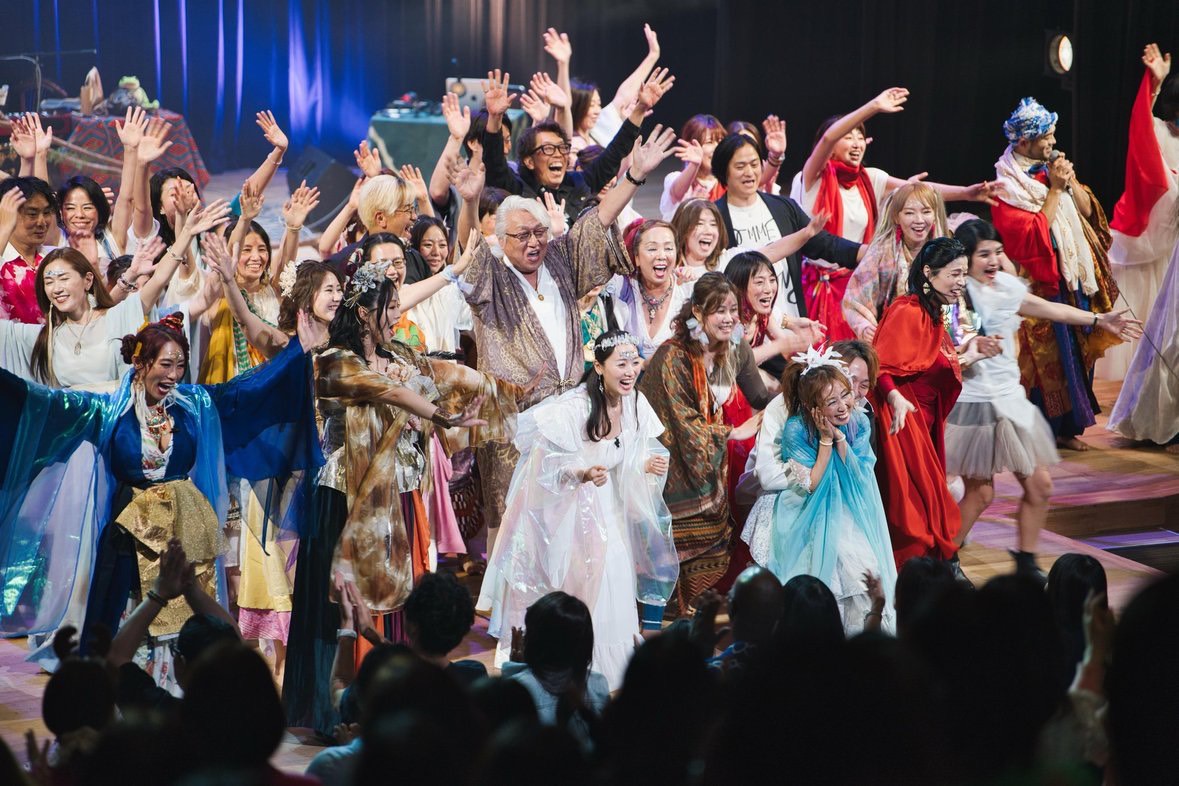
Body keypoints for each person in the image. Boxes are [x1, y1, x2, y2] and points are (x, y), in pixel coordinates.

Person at [0, 309, 322, 693]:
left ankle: (188, 701)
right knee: (134, 619)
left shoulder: (194, 404)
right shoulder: (108, 411)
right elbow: (44, 405)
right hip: (130, 537)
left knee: (190, 622)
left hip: (183, 531)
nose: (173, 375)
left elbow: (247, 392)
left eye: (180, 366)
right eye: (165, 365)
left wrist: (297, 352)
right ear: (140, 363)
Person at [283, 269, 515, 736]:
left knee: (392, 597)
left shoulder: (398, 354)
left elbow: (443, 373)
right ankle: (332, 710)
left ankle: (387, 702)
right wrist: (443, 415)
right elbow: (392, 391)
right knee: (341, 598)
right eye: (389, 308)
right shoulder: (334, 362)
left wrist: (504, 390)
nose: (397, 316)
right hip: (345, 496)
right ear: (364, 314)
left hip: (393, 495)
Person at [450, 119, 676, 553]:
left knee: (575, 521)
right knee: (512, 524)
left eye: (539, 232)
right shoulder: (492, 275)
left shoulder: (560, 261)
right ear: (501, 240)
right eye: (522, 235)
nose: (534, 242)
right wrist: (471, 201)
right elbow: (468, 252)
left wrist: (633, 176)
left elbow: (596, 222)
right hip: (514, 422)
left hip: (570, 414)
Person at [479, 330, 678, 689]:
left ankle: (614, 666)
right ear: (599, 367)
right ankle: (571, 664)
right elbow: (547, 467)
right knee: (582, 581)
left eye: (634, 363)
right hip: (572, 510)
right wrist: (581, 473)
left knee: (617, 573)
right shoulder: (574, 408)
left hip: (609, 506)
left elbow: (627, 454)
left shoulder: (634, 402)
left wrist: (644, 464)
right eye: (621, 364)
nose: (630, 371)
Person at [947, 220, 1141, 580]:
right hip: (978, 405)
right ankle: (942, 562)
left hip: (1011, 401)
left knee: (1040, 486)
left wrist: (1098, 319)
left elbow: (1051, 310)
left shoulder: (1005, 286)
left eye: (997, 252)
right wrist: (974, 345)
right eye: (983, 254)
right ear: (965, 259)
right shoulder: (955, 295)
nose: (993, 260)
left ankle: (1026, 564)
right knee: (981, 494)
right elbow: (956, 340)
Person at [794, 88, 996, 340]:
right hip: (819, 288)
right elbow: (826, 139)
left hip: (859, 282)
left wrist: (966, 193)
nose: (856, 143)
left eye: (860, 136)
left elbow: (920, 192)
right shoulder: (812, 178)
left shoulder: (870, 178)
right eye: (848, 136)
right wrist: (874, 106)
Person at [990, 96, 1121, 451]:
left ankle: (1068, 430)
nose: (1052, 142)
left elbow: (1089, 212)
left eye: (1052, 134)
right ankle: (1044, 431)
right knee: (1047, 364)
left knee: (1079, 354)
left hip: (1074, 278)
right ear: (1023, 142)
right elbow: (1032, 236)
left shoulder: (1052, 170)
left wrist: (1069, 183)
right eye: (1045, 137)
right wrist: (1056, 190)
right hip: (1040, 285)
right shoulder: (1007, 186)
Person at [638, 273, 771, 610]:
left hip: (711, 468)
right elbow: (681, 422)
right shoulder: (673, 357)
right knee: (669, 568)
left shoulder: (734, 346)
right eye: (719, 311)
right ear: (697, 312)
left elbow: (759, 395)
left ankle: (695, 616)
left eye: (733, 310)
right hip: (671, 470)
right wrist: (731, 432)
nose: (729, 318)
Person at [756, 349, 896, 633]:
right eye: (832, 402)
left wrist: (840, 437)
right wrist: (824, 439)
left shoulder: (858, 421)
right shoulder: (797, 429)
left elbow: (860, 475)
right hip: (812, 505)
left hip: (852, 500)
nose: (843, 406)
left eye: (845, 395)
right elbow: (812, 483)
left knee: (861, 567)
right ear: (814, 408)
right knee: (834, 568)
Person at [869, 237, 972, 574]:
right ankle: (921, 580)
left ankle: (937, 576)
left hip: (924, 424)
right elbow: (881, 366)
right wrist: (895, 397)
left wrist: (972, 353)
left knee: (930, 506)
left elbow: (930, 361)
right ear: (929, 272)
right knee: (915, 513)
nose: (961, 282)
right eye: (954, 274)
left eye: (964, 274)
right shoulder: (907, 310)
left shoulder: (935, 312)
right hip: (903, 423)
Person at [479, 67, 673, 223]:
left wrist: (640, 109)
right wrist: (495, 117)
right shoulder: (516, 189)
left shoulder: (578, 184)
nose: (558, 155)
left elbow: (614, 154)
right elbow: (494, 163)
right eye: (548, 149)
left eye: (562, 148)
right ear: (529, 161)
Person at [710, 133, 862, 325]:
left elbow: (824, 244)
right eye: (740, 167)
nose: (749, 172)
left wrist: (865, 251)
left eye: (754, 164)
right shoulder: (714, 218)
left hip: (793, 323)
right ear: (724, 171)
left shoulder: (783, 207)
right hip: (743, 329)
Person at [1102, 43, 1178, 379]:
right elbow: (1140, 123)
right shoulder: (1158, 130)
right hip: (1146, 238)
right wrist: (1154, 83)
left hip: (1172, 241)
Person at [841, 182, 951, 341]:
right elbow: (854, 298)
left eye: (926, 211)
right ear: (896, 217)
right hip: (894, 340)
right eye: (909, 213)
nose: (919, 220)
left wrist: (954, 336)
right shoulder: (882, 252)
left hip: (936, 338)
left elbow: (953, 302)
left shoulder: (944, 253)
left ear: (935, 214)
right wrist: (865, 327)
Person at [500, 591, 610, 750]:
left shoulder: (518, 688)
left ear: (535, 640)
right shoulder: (599, 684)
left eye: (528, 631)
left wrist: (514, 669)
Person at [608, 220, 692, 360]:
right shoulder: (622, 288)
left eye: (668, 248)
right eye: (652, 249)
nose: (661, 255)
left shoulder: (687, 291)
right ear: (637, 258)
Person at [406, 216, 473, 354]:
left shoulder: (450, 289)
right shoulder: (407, 292)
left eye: (442, 245)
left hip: (447, 364)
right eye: (428, 245)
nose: (436, 252)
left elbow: (469, 319)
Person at [0, 177, 61, 323]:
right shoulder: (3, 260)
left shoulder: (56, 257)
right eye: (32, 214)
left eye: (46, 212)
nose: (42, 222)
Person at [660, 114, 728, 219]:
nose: (717, 147)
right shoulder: (676, 179)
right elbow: (677, 194)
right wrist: (694, 165)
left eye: (720, 141)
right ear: (691, 146)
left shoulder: (728, 183)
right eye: (709, 142)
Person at [670, 198, 727, 284]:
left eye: (713, 224)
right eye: (699, 224)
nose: (708, 231)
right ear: (683, 229)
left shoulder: (727, 262)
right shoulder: (669, 272)